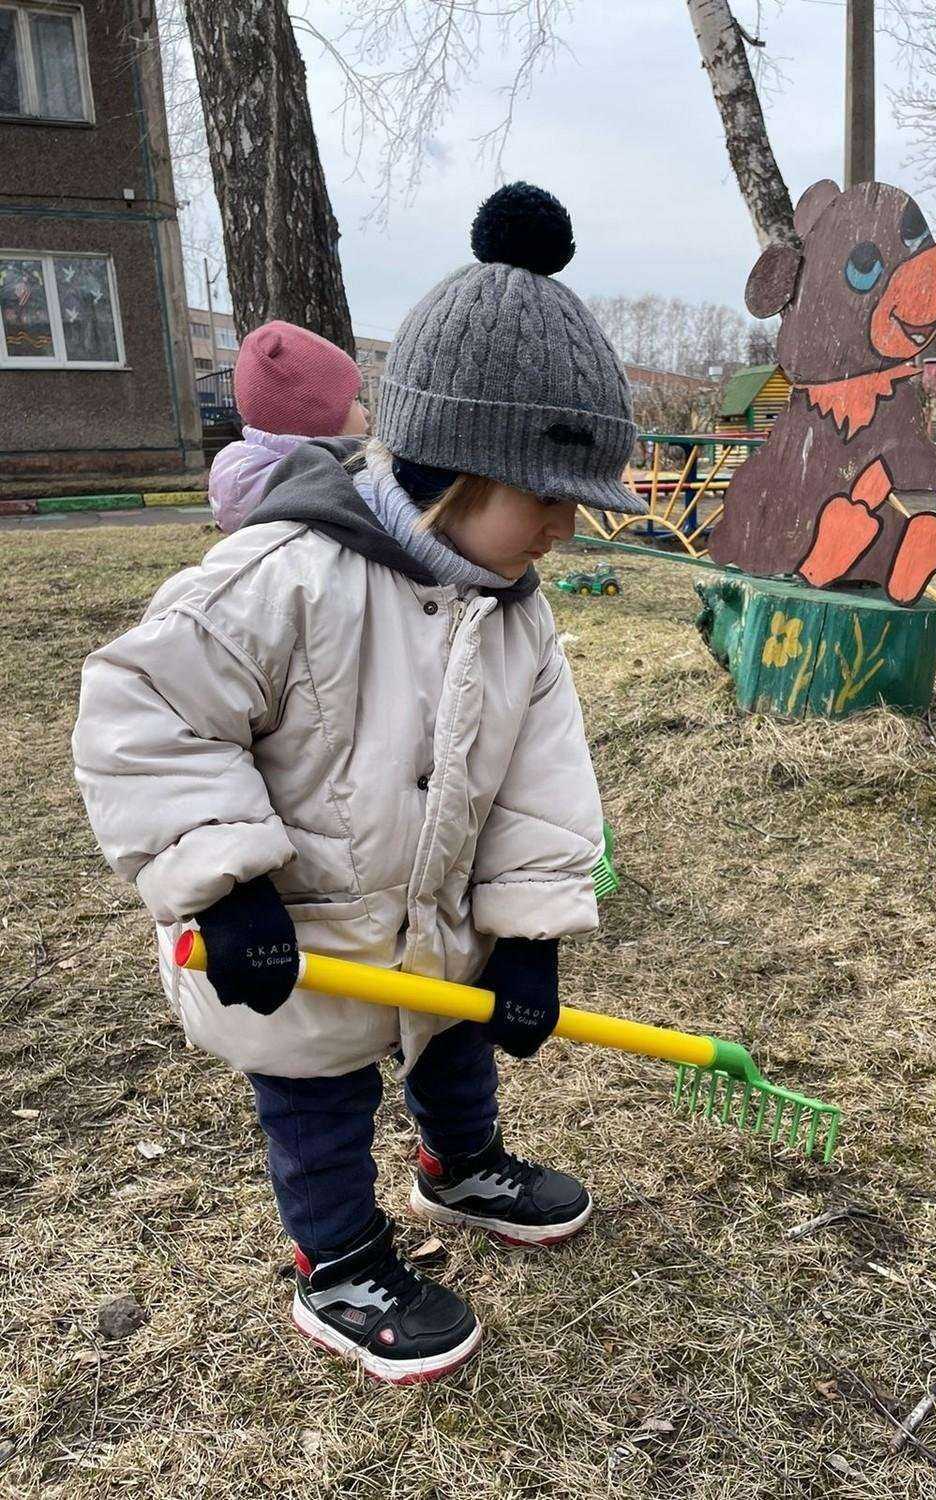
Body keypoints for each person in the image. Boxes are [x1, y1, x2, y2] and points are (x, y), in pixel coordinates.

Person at [72, 183, 646, 1386]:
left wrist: (531, 934)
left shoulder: (516, 619)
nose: (564, 534)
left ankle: (461, 1165)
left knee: (456, 1043)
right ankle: (337, 1260)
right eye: (549, 501)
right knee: (318, 1102)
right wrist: (223, 886)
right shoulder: (282, 577)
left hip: (434, 925)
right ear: (458, 470)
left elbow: (545, 780)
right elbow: (146, 713)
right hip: (305, 937)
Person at [207, 320, 370, 533]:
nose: (366, 412)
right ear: (319, 415)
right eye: (355, 400)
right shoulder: (332, 490)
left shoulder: (248, 479)